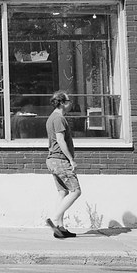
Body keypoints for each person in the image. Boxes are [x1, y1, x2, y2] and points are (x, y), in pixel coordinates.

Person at [45, 90, 81, 239]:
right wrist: (71, 159)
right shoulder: (59, 118)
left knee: (63, 192)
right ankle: (54, 219)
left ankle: (60, 228)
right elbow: (60, 140)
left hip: (53, 160)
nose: (70, 103)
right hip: (60, 160)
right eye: (68, 101)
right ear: (62, 103)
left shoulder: (52, 117)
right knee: (76, 191)